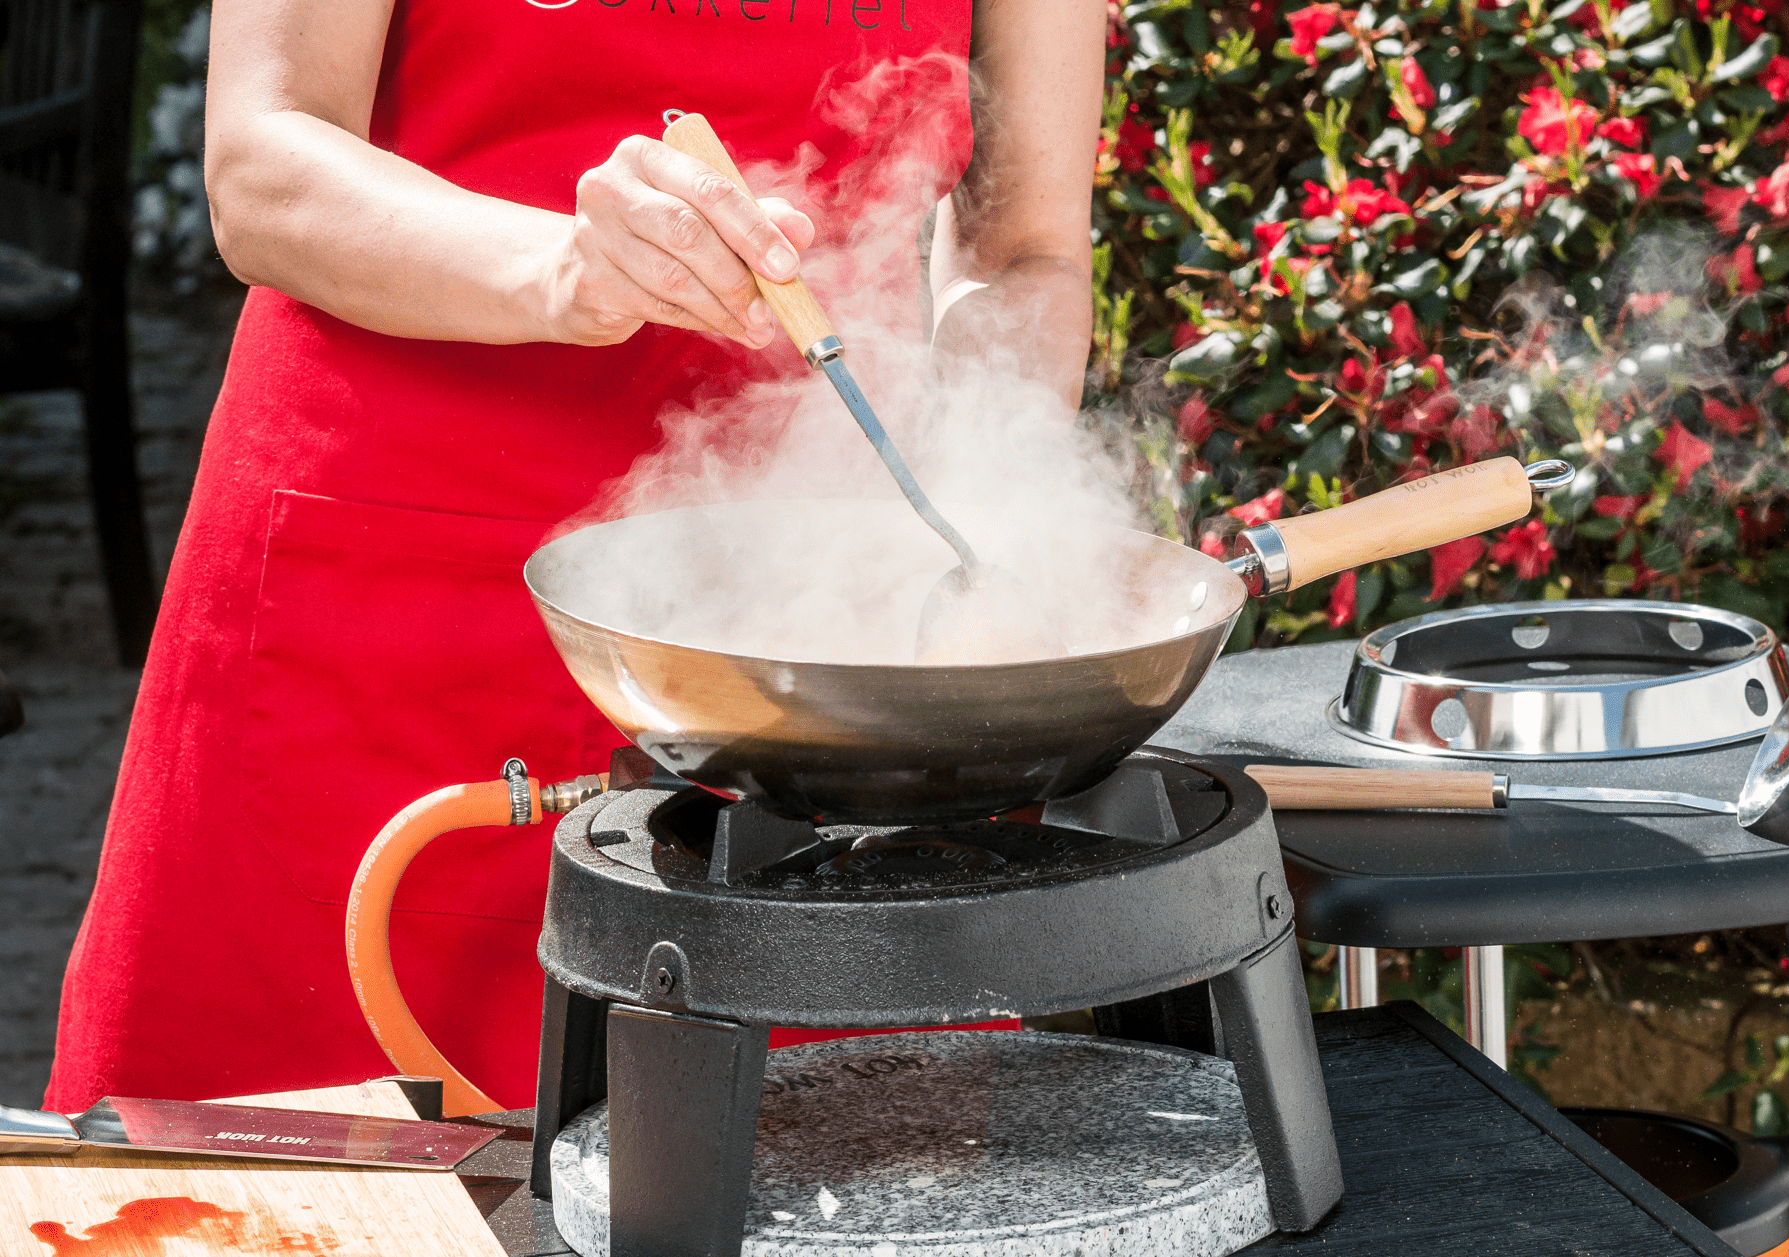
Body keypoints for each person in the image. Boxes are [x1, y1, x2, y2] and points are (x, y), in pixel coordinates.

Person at [46, 0, 1104, 1111]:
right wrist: (562, 269)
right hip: (391, 572)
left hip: (809, 611)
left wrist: (979, 504)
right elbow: (264, 163)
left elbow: (1022, 248)